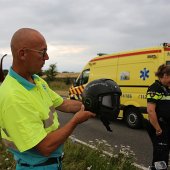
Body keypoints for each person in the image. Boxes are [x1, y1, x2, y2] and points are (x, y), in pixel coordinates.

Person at [0, 28, 95, 170]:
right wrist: (75, 121)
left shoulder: (36, 81)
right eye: (42, 52)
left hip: (52, 164)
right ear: (22, 54)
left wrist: (91, 104)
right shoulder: (14, 96)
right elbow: (45, 147)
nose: (47, 57)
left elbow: (64, 104)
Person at [146, 64, 170, 170]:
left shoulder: (166, 88)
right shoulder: (154, 88)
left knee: (165, 152)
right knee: (161, 154)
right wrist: (158, 129)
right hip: (160, 126)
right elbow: (151, 111)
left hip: (167, 126)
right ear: (164, 75)